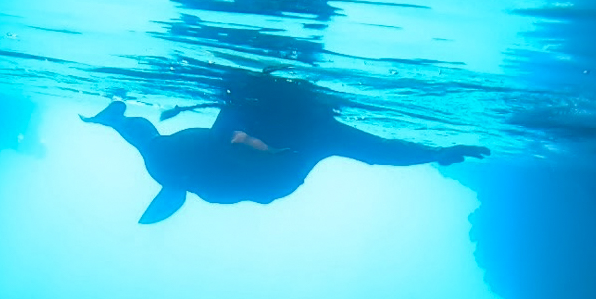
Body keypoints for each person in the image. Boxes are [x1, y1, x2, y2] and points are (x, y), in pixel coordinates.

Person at [79, 78, 490, 224]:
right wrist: (436, 152)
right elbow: (379, 151)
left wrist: (436, 153)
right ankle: (116, 121)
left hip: (222, 172)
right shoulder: (317, 125)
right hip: (219, 171)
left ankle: (116, 121)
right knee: (154, 148)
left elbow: (379, 151)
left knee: (154, 147)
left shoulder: (306, 124)